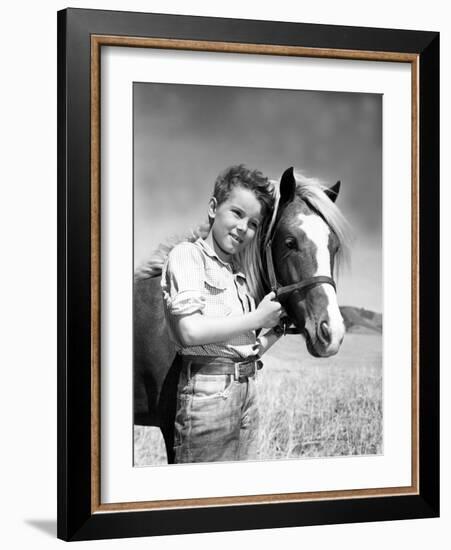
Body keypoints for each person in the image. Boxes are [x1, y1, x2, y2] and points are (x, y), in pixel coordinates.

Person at [161, 165, 284, 463]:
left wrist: (274, 331)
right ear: (214, 207)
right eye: (238, 213)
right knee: (203, 498)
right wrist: (256, 319)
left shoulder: (237, 276)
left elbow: (245, 349)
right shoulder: (188, 255)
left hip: (246, 391)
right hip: (208, 394)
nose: (244, 228)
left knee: (241, 495)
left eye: (253, 223)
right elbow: (188, 332)